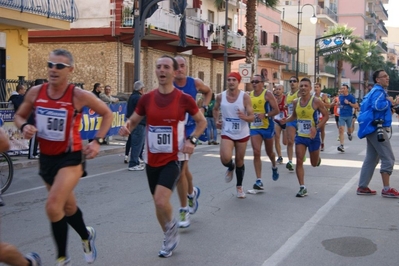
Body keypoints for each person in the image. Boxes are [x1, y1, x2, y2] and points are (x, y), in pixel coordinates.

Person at [14, 49, 113, 265]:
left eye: (59, 66)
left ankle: (61, 258)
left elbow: (107, 113)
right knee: (66, 208)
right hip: (47, 158)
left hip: (70, 157)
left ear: (70, 70)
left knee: (52, 206)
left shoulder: (78, 95)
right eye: (50, 64)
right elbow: (19, 115)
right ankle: (86, 236)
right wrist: (25, 126)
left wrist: (97, 141)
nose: (53, 69)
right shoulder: (36, 92)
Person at [118, 55, 207, 257]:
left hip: (173, 158)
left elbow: (201, 123)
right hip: (152, 159)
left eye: (166, 67)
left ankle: (172, 226)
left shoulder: (184, 99)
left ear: (175, 72)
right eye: (158, 67)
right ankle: (168, 232)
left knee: (160, 200)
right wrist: (127, 128)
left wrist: (191, 140)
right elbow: (134, 119)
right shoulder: (147, 98)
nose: (161, 70)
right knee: (158, 205)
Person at [173, 56, 212, 228]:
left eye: (182, 66)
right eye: (176, 67)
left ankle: (184, 209)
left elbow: (209, 92)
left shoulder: (194, 83)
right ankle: (192, 193)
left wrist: (204, 107)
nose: (179, 69)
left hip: (190, 129)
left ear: (186, 68)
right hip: (175, 130)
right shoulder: (168, 85)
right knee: (184, 168)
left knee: (181, 171)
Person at [281, 78, 329, 197]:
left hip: (313, 136)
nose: (303, 88)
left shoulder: (316, 101)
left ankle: (317, 158)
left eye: (305, 86)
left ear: (310, 88)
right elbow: (294, 116)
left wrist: (316, 127)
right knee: (299, 160)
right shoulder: (296, 102)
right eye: (301, 86)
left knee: (313, 163)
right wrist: (285, 120)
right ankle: (302, 187)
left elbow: (327, 115)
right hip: (301, 136)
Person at [356, 70, 399, 198]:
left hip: (371, 128)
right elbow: (377, 106)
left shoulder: (373, 91)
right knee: (388, 157)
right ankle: (386, 189)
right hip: (377, 128)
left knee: (371, 158)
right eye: (384, 76)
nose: (387, 78)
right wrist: (389, 102)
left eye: (387, 76)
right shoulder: (379, 92)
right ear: (377, 80)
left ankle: (362, 187)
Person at [213, 72, 254, 198]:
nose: (231, 82)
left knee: (240, 160)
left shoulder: (245, 97)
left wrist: (244, 117)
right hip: (227, 131)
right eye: (229, 79)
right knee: (225, 158)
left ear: (238, 82)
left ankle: (239, 187)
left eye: (234, 80)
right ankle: (230, 167)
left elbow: (252, 117)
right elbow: (215, 109)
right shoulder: (221, 96)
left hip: (242, 133)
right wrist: (216, 121)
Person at [249, 74, 279, 191]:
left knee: (269, 151)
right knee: (256, 152)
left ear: (262, 83)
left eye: (257, 81)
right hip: (255, 127)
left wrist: (265, 115)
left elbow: (276, 110)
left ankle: (274, 165)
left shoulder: (267, 94)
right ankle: (259, 180)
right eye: (253, 82)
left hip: (267, 126)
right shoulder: (249, 95)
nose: (254, 84)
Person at [126, 80, 146, 171]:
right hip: (139, 124)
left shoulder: (132, 97)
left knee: (136, 143)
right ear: (141, 89)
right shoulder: (138, 98)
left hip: (133, 123)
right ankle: (133, 163)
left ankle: (136, 160)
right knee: (137, 143)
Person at [27, 79, 48, 159]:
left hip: (37, 118)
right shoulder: (33, 93)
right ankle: (32, 153)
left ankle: (35, 152)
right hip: (32, 118)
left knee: (36, 137)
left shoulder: (39, 93)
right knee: (33, 137)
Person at [337, 84, 358, 152]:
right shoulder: (340, 97)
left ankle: (349, 134)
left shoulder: (351, 97)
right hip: (342, 115)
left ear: (347, 89)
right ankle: (342, 145)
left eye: (344, 88)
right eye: (341, 88)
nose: (342, 89)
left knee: (349, 129)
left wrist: (349, 103)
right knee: (341, 129)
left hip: (349, 116)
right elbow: (338, 103)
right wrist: (337, 104)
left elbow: (356, 106)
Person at [285, 76, 299, 171]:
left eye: (294, 81)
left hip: (300, 120)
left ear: (298, 83)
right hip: (290, 119)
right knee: (290, 141)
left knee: (299, 142)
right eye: (291, 81)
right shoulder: (288, 94)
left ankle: (300, 156)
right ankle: (290, 161)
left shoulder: (300, 93)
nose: (292, 83)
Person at [313, 82, 331, 151]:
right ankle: (315, 142)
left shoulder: (323, 95)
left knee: (322, 129)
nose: (316, 88)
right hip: (315, 113)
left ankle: (322, 142)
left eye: (317, 87)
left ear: (320, 88)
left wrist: (321, 103)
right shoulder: (312, 95)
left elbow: (328, 105)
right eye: (315, 87)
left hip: (322, 114)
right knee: (315, 128)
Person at [273, 84, 287, 164]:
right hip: (276, 120)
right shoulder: (273, 99)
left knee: (285, 142)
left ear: (282, 90)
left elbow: (290, 106)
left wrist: (286, 107)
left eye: (279, 89)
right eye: (276, 89)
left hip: (284, 120)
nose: (278, 90)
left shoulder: (285, 98)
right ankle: (280, 156)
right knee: (276, 138)